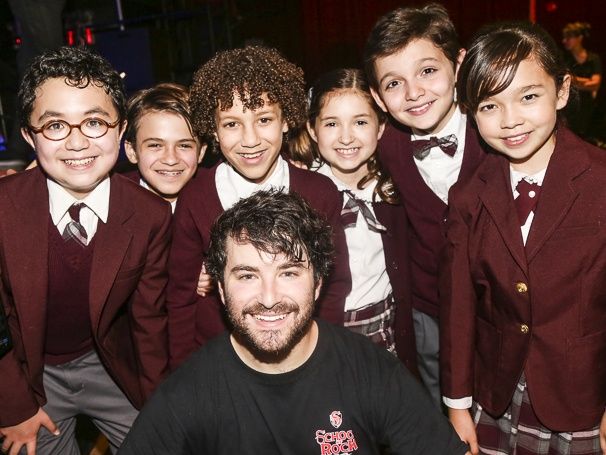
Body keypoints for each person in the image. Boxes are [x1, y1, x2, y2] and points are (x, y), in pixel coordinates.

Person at [118, 189, 469, 455]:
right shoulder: (189, 392)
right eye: (247, 276)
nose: (269, 298)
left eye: (288, 273)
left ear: (317, 284)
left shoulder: (371, 371)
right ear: (220, 290)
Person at [441, 21, 606, 454]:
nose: (510, 120)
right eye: (490, 105)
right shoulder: (467, 195)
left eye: (528, 97)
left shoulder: (601, 181)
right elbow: (459, 306)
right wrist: (457, 404)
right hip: (496, 391)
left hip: (583, 392)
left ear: (562, 91)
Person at [0, 46, 171, 455]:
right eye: (55, 125)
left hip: (107, 364)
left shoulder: (149, 215)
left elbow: (149, 323)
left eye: (94, 122)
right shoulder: (4, 208)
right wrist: (13, 404)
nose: (77, 143)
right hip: (26, 371)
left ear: (120, 129)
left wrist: (160, 404)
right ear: (29, 136)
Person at [167, 45, 351, 368]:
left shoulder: (320, 193)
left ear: (286, 120)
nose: (250, 140)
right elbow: (180, 299)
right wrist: (185, 373)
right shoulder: (195, 198)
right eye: (231, 124)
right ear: (213, 129)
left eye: (264, 119)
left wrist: (321, 359)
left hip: (302, 356)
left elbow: (334, 285)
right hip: (219, 359)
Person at [363, 3, 486, 407]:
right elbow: (324, 164)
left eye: (428, 71)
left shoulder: (499, 131)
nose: (414, 93)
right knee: (436, 409)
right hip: (429, 310)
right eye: (394, 83)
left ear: (459, 65)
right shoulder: (384, 146)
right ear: (378, 97)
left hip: (503, 309)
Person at [288, 68, 417, 374]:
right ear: (313, 129)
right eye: (332, 123)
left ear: (380, 126)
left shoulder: (396, 185)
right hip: (324, 331)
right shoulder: (299, 193)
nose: (346, 137)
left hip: (387, 326)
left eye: (360, 122)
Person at [123, 82, 207, 213]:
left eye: (184, 146)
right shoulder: (112, 203)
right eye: (155, 145)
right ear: (132, 151)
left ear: (201, 152)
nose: (171, 159)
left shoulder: (219, 202)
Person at [562, 21, 602, 140]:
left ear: (579, 38)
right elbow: (565, 78)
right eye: (564, 37)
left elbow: (596, 84)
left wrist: (575, 81)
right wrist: (587, 81)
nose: (564, 41)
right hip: (570, 108)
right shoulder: (564, 58)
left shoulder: (593, 58)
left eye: (568, 37)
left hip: (589, 110)